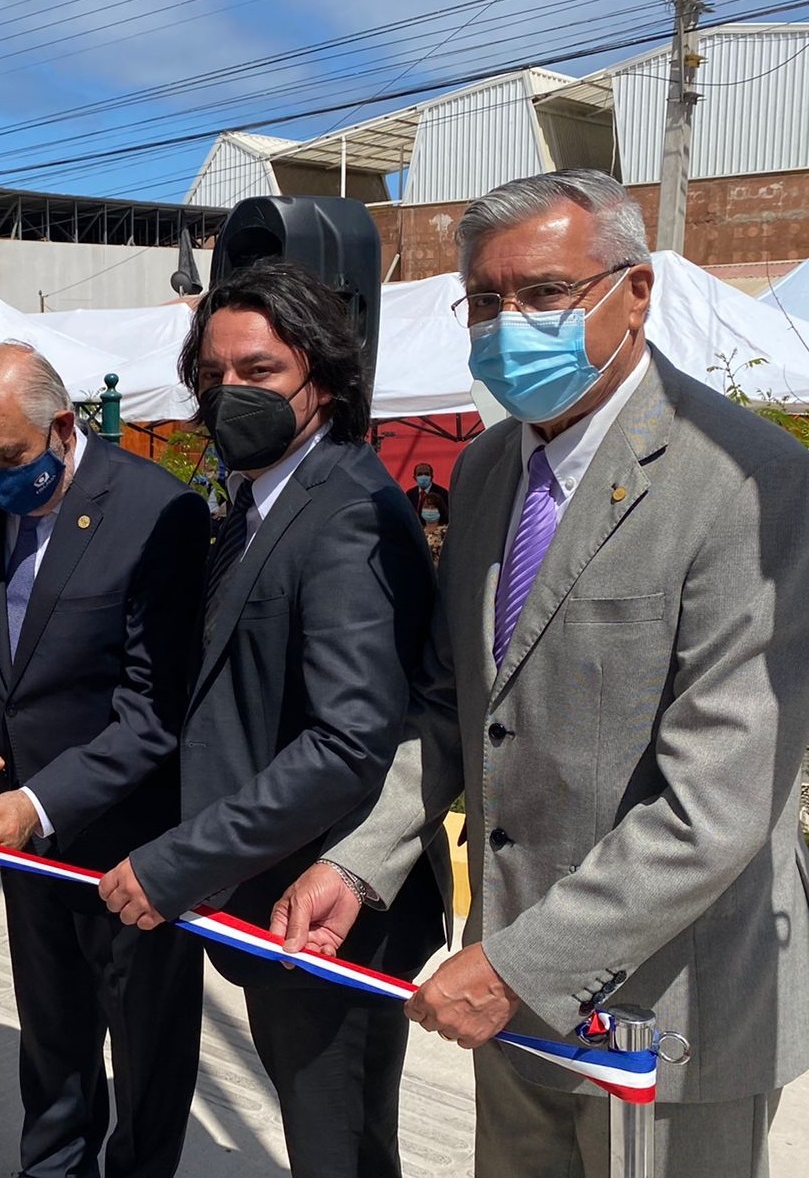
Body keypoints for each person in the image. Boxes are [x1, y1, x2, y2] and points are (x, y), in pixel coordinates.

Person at [274, 169, 809, 1178]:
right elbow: (452, 706)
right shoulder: (487, 470)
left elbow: (717, 801)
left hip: (669, 1009)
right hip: (509, 988)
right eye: (485, 299)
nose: (507, 322)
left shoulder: (747, 478)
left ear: (636, 291)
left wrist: (521, 964)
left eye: (544, 292)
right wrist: (359, 860)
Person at [97, 259, 450, 1177]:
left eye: (258, 374)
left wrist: (182, 861)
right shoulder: (258, 505)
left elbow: (345, 743)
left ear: (322, 381)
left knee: (338, 1148)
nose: (228, 397)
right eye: (213, 379)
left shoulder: (344, 512)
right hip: (268, 896)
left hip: (327, 907)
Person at [0, 342, 208, 1178]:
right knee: (52, 1042)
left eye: (8, 458)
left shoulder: (158, 512)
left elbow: (155, 711)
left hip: (131, 843)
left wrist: (41, 802)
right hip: (23, 845)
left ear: (62, 425)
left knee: (148, 1055)